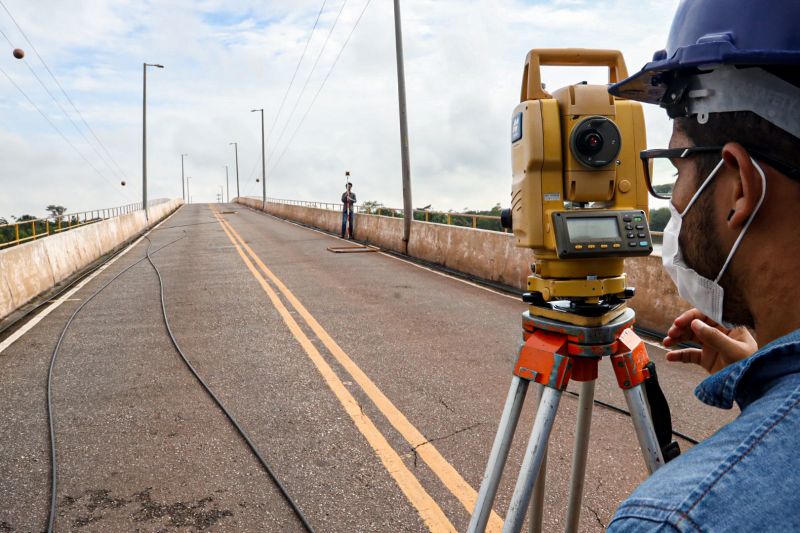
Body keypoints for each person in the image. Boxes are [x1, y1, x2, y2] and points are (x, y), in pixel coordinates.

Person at [605, 1, 800, 530]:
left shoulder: (675, 520)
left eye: (677, 164)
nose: (674, 198)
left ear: (738, 185)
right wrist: (765, 379)